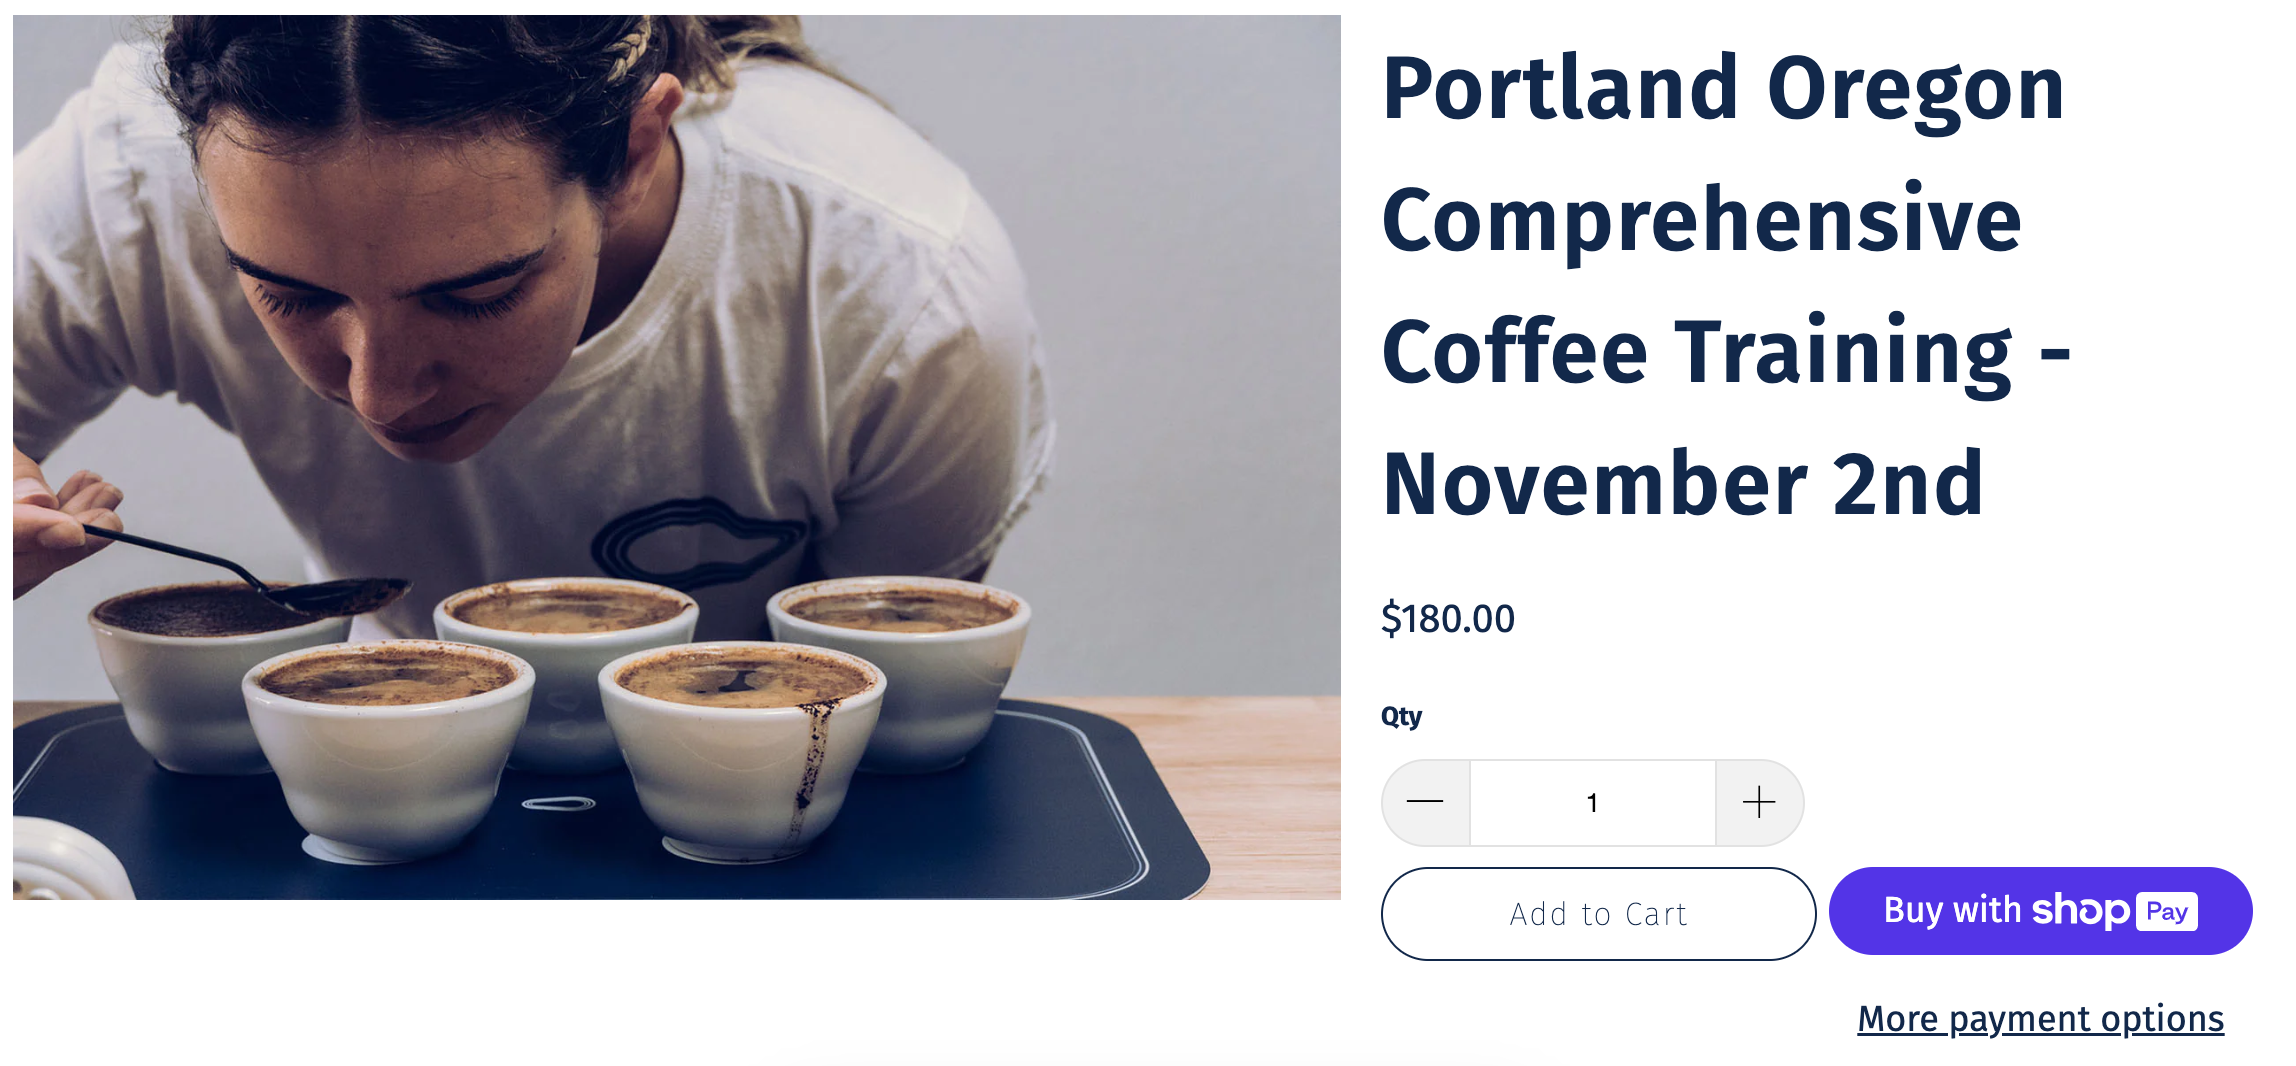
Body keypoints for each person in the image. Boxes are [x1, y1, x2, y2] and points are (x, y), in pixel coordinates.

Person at [13, 16, 1053, 639]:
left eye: (474, 294)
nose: (379, 394)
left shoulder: (905, 293)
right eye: (288, 292)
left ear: (636, 150)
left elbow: (887, 720)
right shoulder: (128, 181)